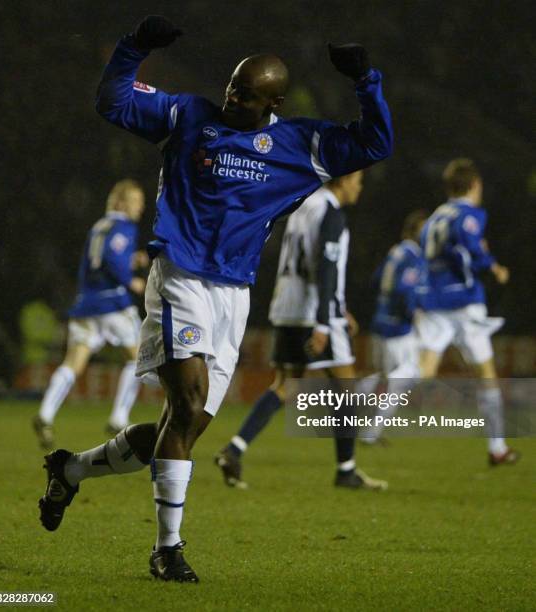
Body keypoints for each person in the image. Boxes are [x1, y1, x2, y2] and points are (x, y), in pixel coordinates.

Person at [38, 15, 393, 584]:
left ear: (271, 102)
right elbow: (113, 102)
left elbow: (377, 141)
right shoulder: (186, 116)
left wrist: (365, 79)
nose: (231, 99)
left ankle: (70, 470)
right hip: (179, 276)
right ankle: (167, 549)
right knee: (188, 403)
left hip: (235, 295)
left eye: (245, 96)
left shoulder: (299, 145)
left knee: (182, 425)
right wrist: (136, 47)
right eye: (230, 86)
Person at [216, 172, 387, 491]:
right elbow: (325, 267)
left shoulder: (304, 204)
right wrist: (326, 319)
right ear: (343, 178)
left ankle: (234, 449)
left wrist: (337, 304)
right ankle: (346, 470)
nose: (359, 186)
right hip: (314, 314)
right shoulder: (332, 213)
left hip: (288, 307)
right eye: (357, 180)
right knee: (347, 389)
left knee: (284, 385)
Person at [417, 158, 519, 466]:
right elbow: (471, 247)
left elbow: (432, 251)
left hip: (436, 302)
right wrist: (494, 267)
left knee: (421, 372)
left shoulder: (435, 216)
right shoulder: (468, 214)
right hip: (464, 304)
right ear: (474, 185)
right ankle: (497, 448)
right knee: (486, 376)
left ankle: (368, 410)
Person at [32, 180, 147, 448]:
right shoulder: (123, 227)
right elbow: (111, 257)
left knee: (74, 363)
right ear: (120, 203)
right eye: (136, 201)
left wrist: (131, 260)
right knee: (140, 359)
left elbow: (97, 261)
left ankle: (45, 413)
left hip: (87, 303)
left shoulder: (100, 226)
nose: (140, 208)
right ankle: (119, 418)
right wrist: (130, 280)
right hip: (113, 305)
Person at [359, 210, 428, 444]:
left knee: (385, 379)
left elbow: (376, 281)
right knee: (406, 377)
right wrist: (412, 313)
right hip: (397, 328)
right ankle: (369, 432)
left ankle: (350, 404)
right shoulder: (413, 256)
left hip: (380, 322)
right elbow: (404, 290)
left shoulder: (395, 252)